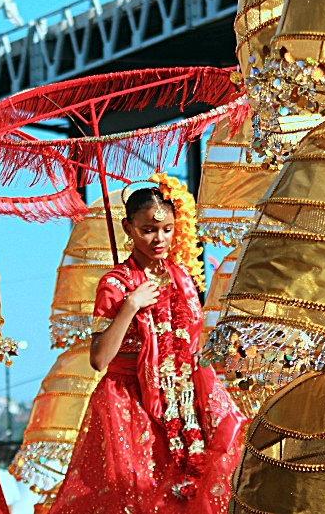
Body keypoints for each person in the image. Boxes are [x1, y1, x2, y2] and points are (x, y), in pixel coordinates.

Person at [49, 173, 246, 514]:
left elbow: (193, 340)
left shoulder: (182, 275)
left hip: (183, 399)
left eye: (167, 229)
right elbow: (99, 360)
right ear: (128, 228)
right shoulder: (114, 283)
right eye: (148, 229)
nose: (159, 238)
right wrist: (130, 305)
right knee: (136, 496)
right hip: (128, 403)